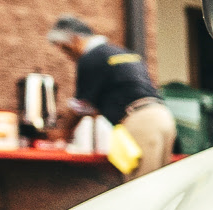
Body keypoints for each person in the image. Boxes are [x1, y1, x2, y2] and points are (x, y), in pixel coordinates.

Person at [45, 14, 176, 176]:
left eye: (66, 48)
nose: (68, 55)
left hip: (140, 122)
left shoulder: (90, 58)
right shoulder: (120, 52)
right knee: (159, 183)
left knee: (141, 187)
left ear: (75, 38)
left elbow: (82, 106)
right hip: (163, 117)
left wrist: (62, 133)